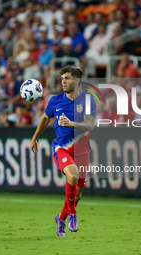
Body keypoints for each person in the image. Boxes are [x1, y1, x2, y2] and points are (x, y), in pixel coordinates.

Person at [30, 66, 96, 236]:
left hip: (82, 151)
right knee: (72, 176)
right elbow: (45, 118)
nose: (64, 82)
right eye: (62, 79)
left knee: (78, 195)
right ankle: (72, 215)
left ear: (77, 80)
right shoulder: (55, 100)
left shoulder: (88, 99)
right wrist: (35, 137)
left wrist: (72, 123)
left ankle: (61, 218)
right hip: (62, 148)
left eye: (67, 78)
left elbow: (90, 125)